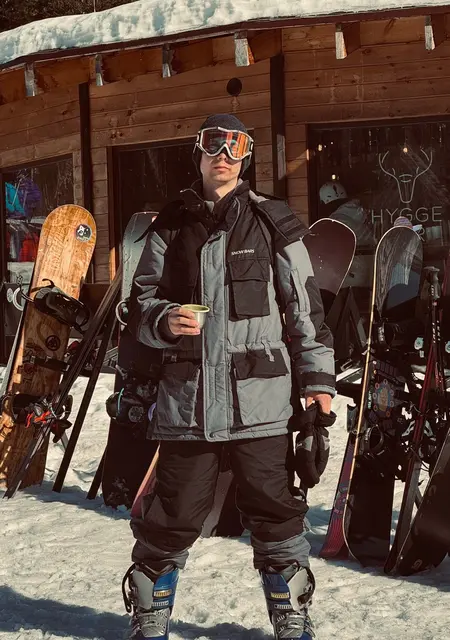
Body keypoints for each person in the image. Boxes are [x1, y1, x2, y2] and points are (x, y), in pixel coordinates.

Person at [122, 114, 336, 640]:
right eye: (213, 144)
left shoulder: (273, 220)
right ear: (197, 153)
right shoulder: (170, 225)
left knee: (275, 510)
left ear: (246, 157)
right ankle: (150, 614)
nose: (223, 154)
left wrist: (318, 382)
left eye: (235, 146)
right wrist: (163, 321)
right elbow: (139, 303)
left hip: (261, 401)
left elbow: (305, 309)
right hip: (187, 402)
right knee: (172, 514)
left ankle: (290, 613)